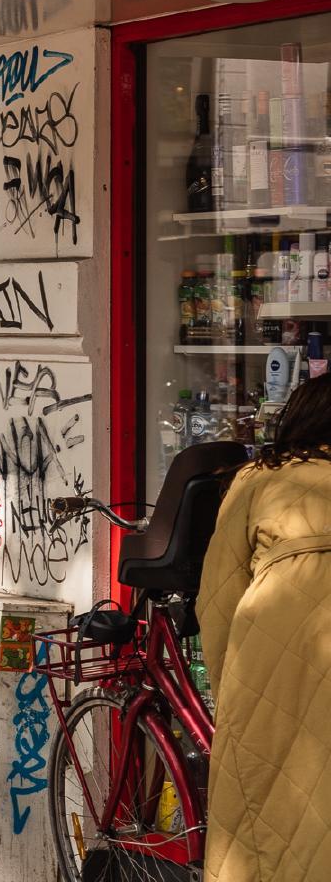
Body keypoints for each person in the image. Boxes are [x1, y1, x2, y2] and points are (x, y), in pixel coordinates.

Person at [198, 375, 331, 882]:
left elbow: (217, 601)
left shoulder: (258, 479)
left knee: (267, 824)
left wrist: (228, 689)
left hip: (272, 667)